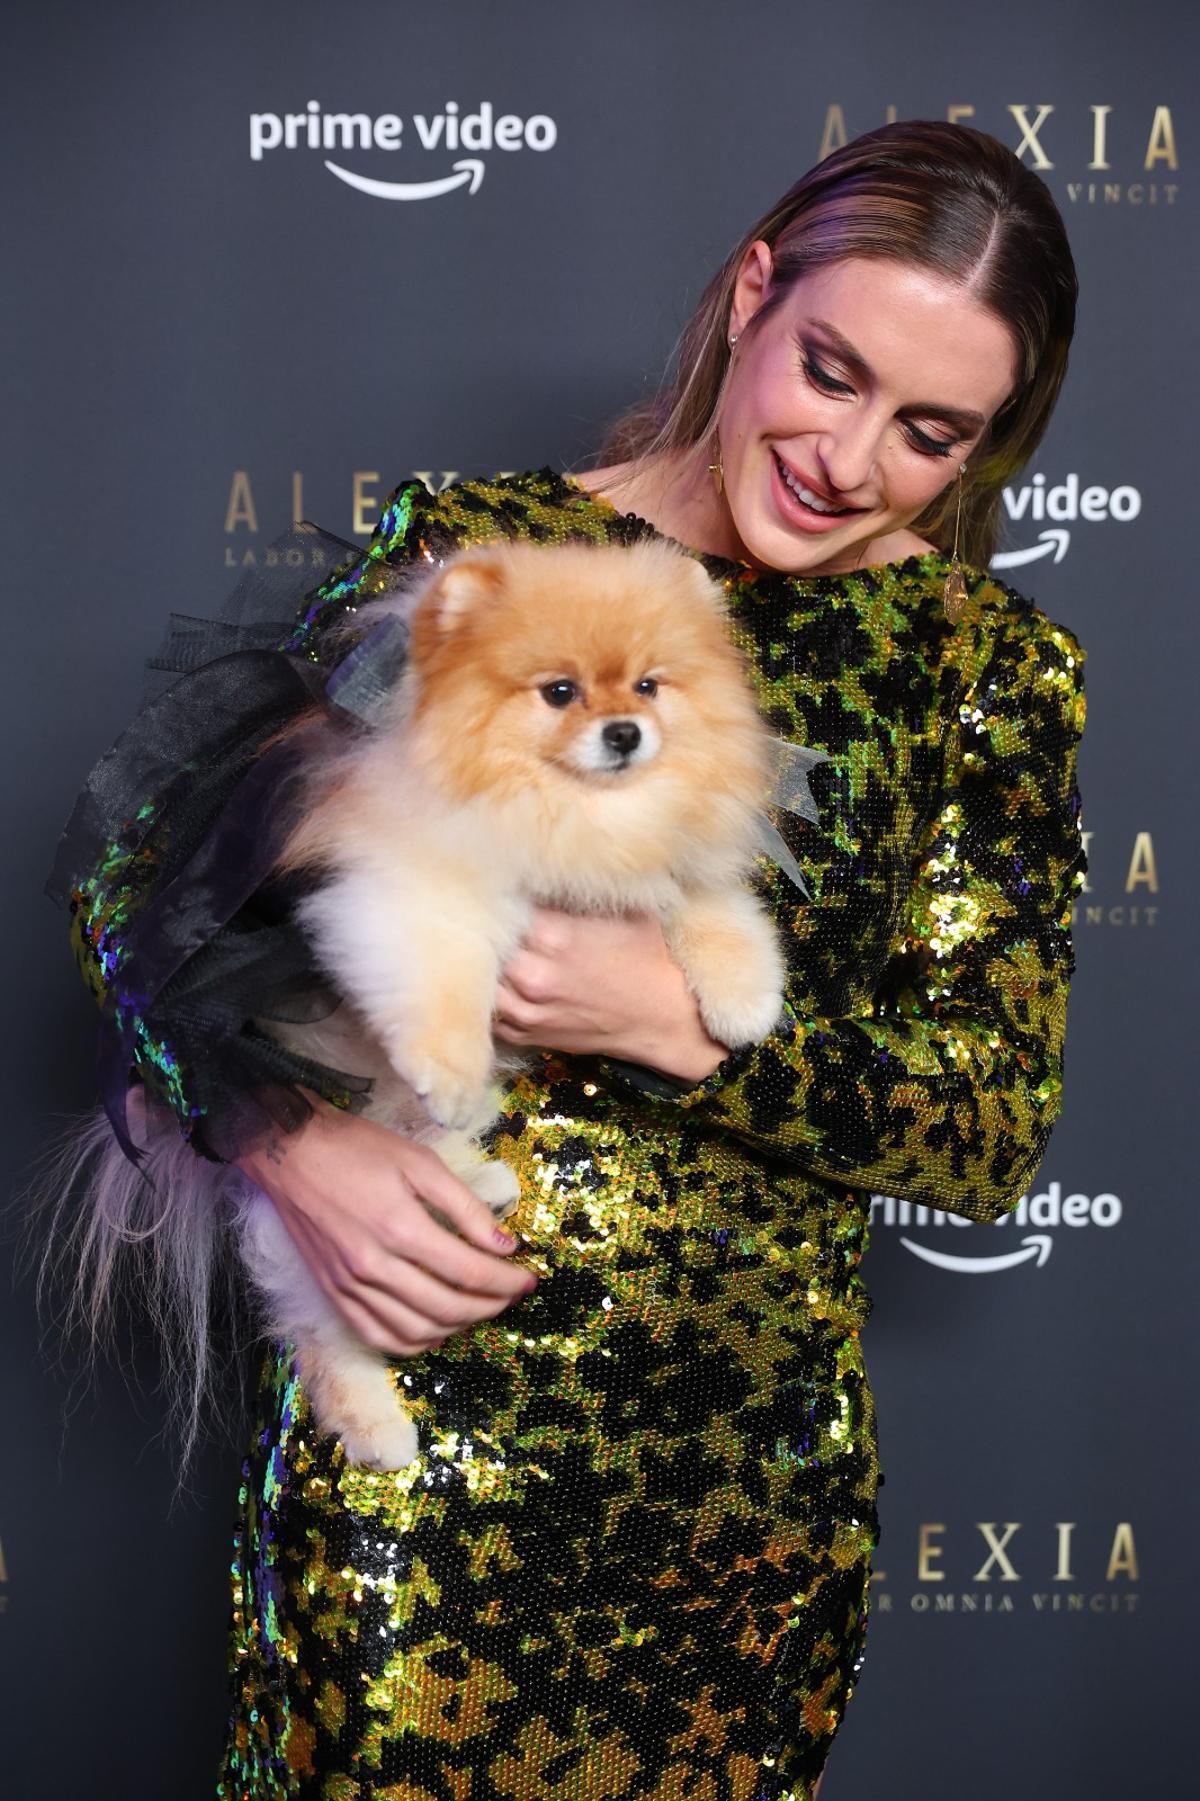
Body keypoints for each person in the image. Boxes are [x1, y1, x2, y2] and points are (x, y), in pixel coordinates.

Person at [55, 121, 1086, 1799]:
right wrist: (286, 1140)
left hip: (739, 1515)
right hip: (419, 1462)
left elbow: (988, 1124)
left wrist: (686, 1025)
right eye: (829, 371)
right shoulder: (483, 558)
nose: (847, 459)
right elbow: (149, 894)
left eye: (930, 432)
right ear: (752, 294)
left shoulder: (989, 670)